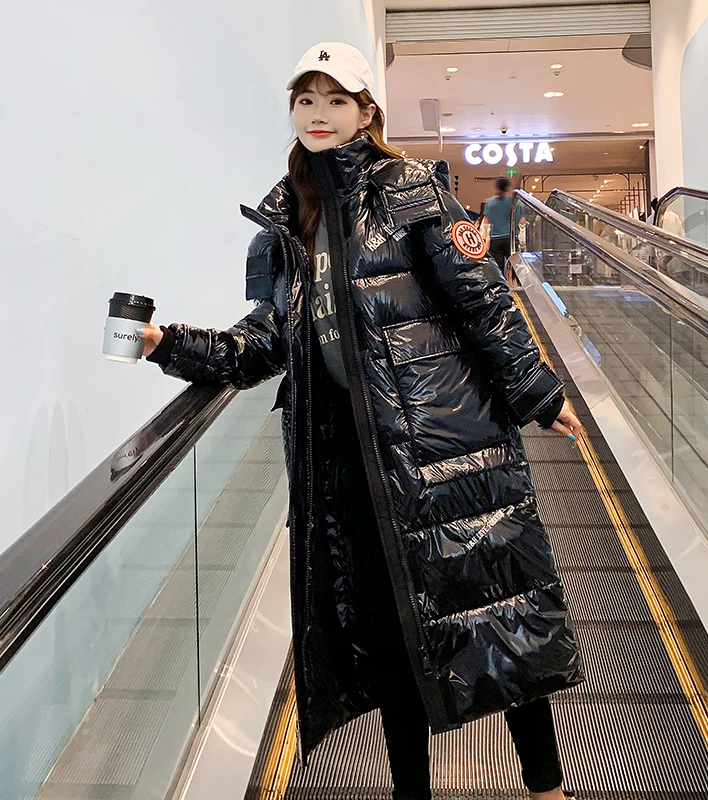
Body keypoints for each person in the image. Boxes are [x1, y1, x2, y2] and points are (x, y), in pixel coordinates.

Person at [137, 42, 584, 800]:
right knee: (388, 632)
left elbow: (482, 300)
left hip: (444, 443)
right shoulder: (283, 220)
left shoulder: (412, 189)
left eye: (335, 100)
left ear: (366, 111)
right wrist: (167, 344)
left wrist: (540, 394)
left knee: (499, 606)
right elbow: (267, 341)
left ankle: (546, 786)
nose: (318, 113)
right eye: (305, 99)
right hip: (346, 460)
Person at [484, 177, 514, 270]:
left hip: (495, 238)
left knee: (498, 266)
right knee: (512, 265)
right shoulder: (512, 202)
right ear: (507, 187)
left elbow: (487, 221)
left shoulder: (489, 203)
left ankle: (500, 279)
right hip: (509, 237)